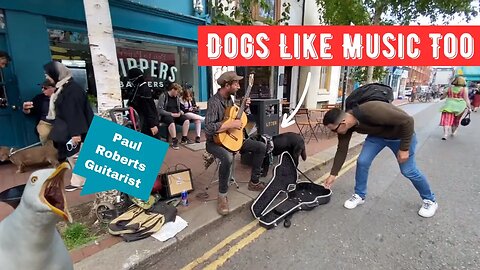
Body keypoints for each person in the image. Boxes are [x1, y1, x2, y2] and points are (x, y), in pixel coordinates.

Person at [322, 101, 438, 218]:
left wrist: (404, 148)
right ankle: (359, 195)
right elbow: (342, 150)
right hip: (377, 137)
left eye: (333, 130)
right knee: (362, 161)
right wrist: (333, 174)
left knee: (408, 170)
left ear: (342, 123)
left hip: (400, 137)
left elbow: (408, 121)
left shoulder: (372, 110)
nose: (333, 133)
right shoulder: (346, 128)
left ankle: (430, 200)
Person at [204, 71, 266, 216]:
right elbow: (208, 127)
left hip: (231, 139)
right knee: (228, 158)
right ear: (227, 85)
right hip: (214, 142)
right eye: (236, 83)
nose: (238, 86)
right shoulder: (214, 102)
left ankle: (254, 181)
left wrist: (244, 107)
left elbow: (237, 117)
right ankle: (222, 195)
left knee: (261, 147)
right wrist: (229, 124)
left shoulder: (230, 100)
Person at [43, 61, 94, 192]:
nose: (46, 77)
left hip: (75, 130)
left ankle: (79, 181)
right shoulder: (65, 88)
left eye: (48, 75)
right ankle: (80, 180)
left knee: (76, 156)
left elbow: (74, 112)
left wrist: (76, 134)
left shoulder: (71, 90)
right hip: (70, 130)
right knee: (75, 156)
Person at [126, 68, 160, 138]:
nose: (130, 81)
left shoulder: (144, 89)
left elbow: (148, 108)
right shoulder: (137, 88)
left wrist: (152, 124)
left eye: (131, 78)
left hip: (146, 122)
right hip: (139, 121)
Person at [157, 83, 192, 149]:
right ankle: (174, 140)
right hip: (166, 115)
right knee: (171, 122)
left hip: (176, 114)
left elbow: (178, 108)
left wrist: (180, 112)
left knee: (186, 120)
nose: (178, 94)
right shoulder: (164, 96)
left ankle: (184, 138)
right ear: (173, 90)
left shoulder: (177, 98)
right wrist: (171, 114)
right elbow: (160, 110)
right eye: (177, 92)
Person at [22, 80, 56, 145]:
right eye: (42, 88)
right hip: (45, 122)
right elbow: (30, 111)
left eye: (45, 88)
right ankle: (47, 149)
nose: (42, 90)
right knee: (44, 133)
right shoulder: (39, 98)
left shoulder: (61, 97)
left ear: (53, 88)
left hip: (59, 122)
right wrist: (25, 109)